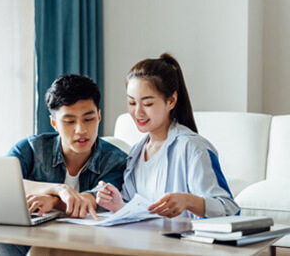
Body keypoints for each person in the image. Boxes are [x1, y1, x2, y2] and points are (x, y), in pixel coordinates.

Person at [0, 74, 127, 256]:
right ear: (54, 123)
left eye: (88, 119)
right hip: (25, 242)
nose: (81, 130)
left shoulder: (116, 160)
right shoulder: (31, 148)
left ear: (99, 116)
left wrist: (53, 202)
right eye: (69, 121)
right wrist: (57, 189)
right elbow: (0, 184)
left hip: (80, 247)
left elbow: (94, 202)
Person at [96, 53, 240, 219]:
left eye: (148, 103)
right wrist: (117, 204)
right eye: (132, 103)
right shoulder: (136, 153)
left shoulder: (193, 147)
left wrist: (188, 201)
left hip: (183, 243)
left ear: (171, 101)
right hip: (145, 242)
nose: (138, 112)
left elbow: (230, 209)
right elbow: (138, 212)